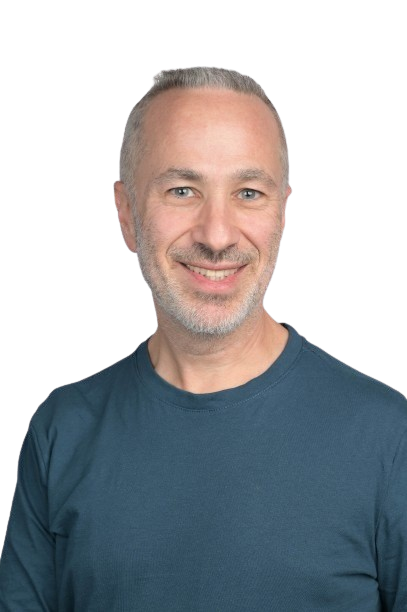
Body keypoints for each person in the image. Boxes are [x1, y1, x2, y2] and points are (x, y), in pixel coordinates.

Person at [0, 66, 406, 611]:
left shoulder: (391, 437)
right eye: (182, 190)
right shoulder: (61, 430)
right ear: (126, 213)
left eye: (248, 192)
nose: (217, 235)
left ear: (282, 213)